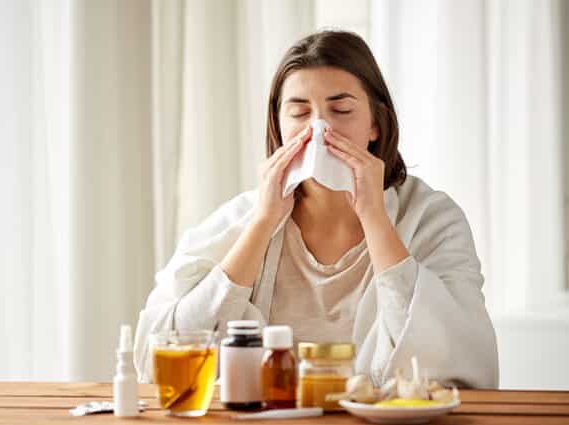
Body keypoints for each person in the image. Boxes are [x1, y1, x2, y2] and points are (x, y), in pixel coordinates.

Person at [134, 30, 499, 388]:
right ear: (278, 124)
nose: (319, 130)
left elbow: (459, 363)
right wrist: (263, 223)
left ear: (375, 123)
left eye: (340, 110)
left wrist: (375, 218)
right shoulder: (239, 219)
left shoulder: (433, 218)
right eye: (298, 112)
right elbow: (160, 360)